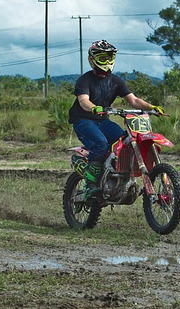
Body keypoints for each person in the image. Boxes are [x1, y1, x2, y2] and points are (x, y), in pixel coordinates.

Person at [68, 40, 164, 199]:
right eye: (103, 58)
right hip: (83, 120)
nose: (107, 61)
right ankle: (90, 185)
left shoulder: (116, 81)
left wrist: (152, 107)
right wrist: (94, 107)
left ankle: (113, 174)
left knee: (125, 141)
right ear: (93, 59)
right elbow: (83, 101)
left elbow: (133, 100)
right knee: (100, 143)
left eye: (110, 57)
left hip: (103, 121)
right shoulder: (85, 80)